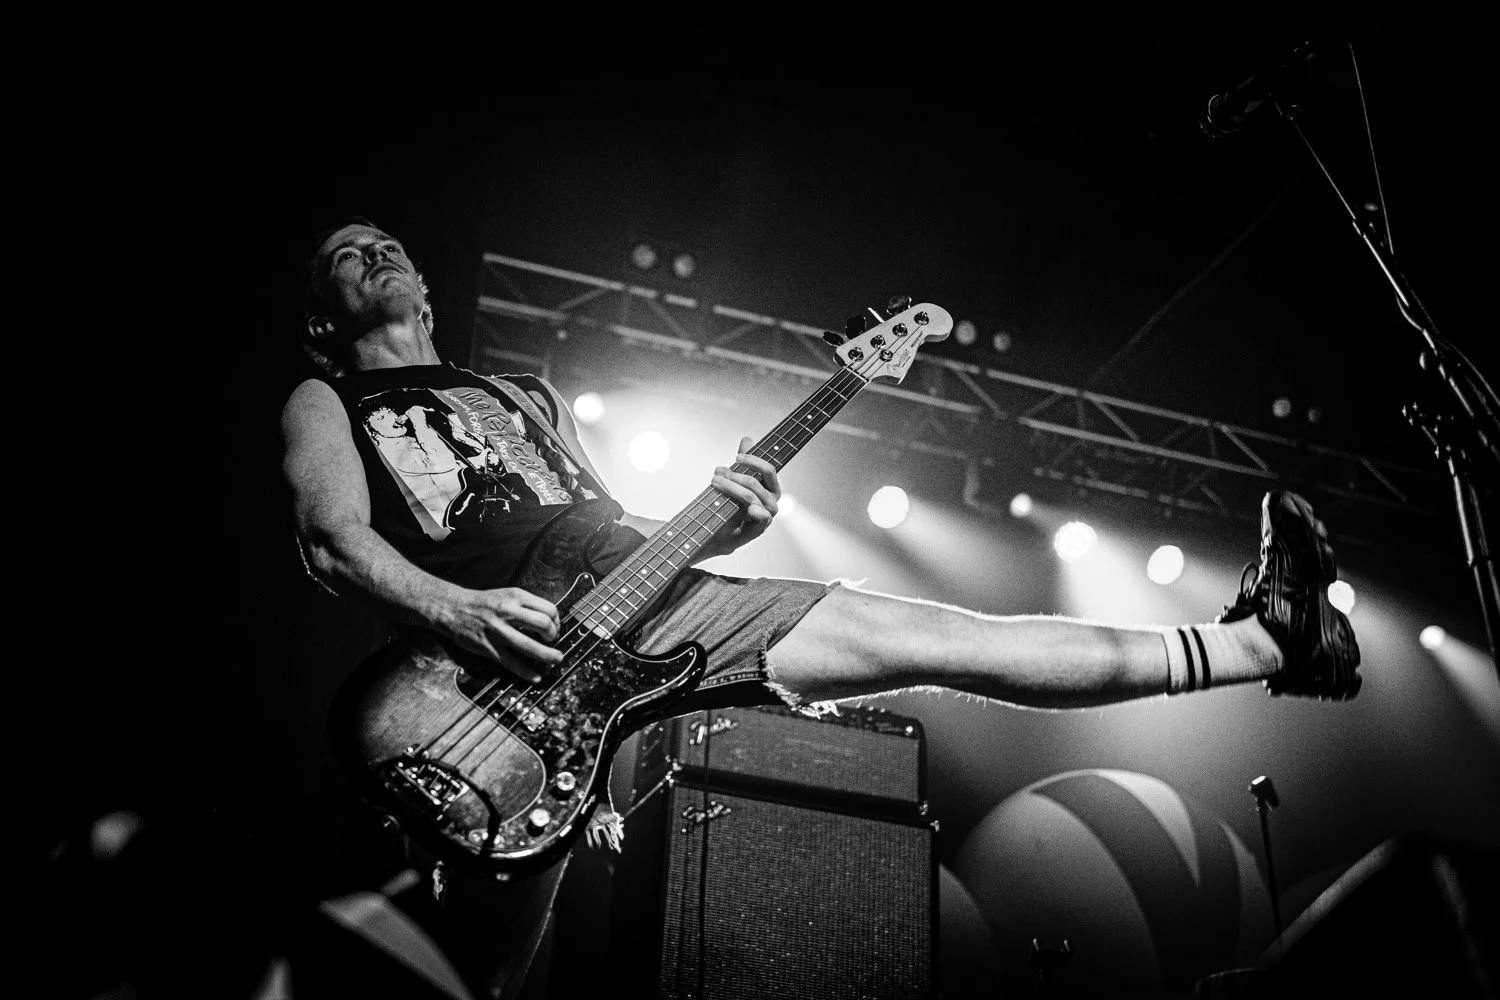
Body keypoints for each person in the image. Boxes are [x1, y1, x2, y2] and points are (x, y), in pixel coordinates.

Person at [282, 218, 1362, 998]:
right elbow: (333, 540)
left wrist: (716, 522)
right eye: (345, 254)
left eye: (386, 243)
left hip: (655, 602)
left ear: (426, 287)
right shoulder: (329, 399)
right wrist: (457, 611)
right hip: (482, 677)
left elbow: (597, 526)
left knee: (947, 638)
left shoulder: (527, 397)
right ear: (324, 316)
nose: (373, 253)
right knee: (486, 962)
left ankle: (1268, 639)